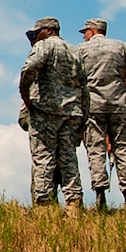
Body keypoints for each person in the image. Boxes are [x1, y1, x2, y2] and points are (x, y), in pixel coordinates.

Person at [75, 18, 126, 211]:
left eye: (85, 32)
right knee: (124, 150)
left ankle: (100, 195)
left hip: (93, 106)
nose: (84, 36)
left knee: (96, 150)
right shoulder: (120, 46)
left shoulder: (80, 50)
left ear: (93, 31)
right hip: (120, 104)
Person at [18, 16, 84, 210]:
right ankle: (73, 204)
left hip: (46, 110)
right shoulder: (76, 51)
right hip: (72, 112)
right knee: (69, 158)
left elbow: (29, 68)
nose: (34, 37)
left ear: (48, 30)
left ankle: (45, 205)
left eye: (35, 33)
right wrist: (83, 118)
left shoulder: (44, 46)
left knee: (43, 157)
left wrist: (25, 94)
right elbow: (84, 87)